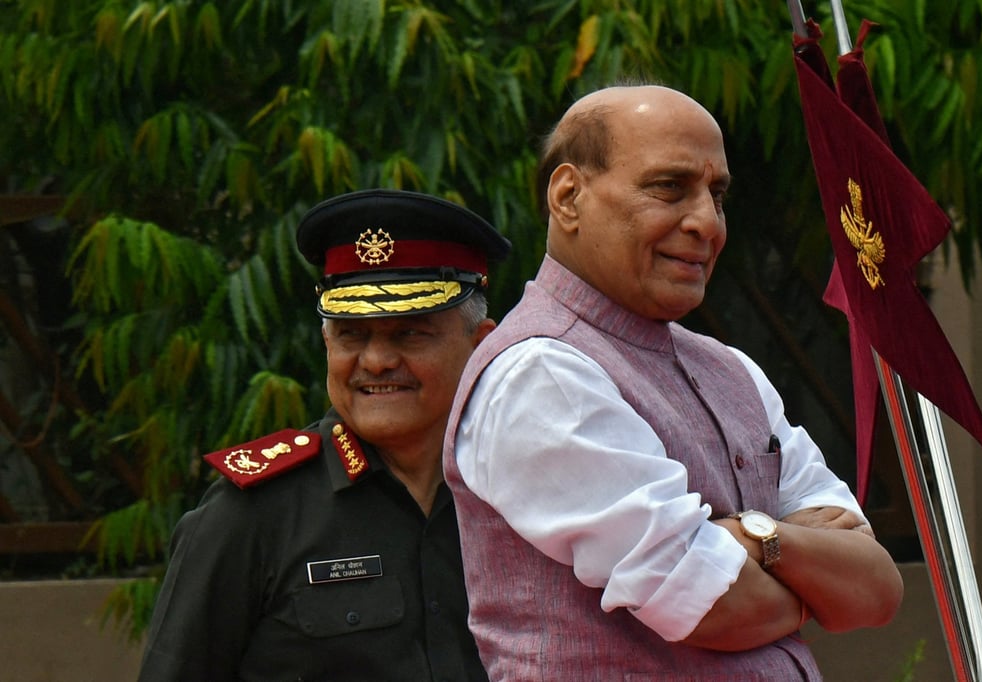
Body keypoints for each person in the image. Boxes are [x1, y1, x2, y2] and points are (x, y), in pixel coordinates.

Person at [442, 85, 904, 680]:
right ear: (568, 197)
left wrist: (755, 538)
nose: (707, 223)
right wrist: (812, 583)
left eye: (718, 195)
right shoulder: (539, 372)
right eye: (669, 187)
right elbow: (715, 606)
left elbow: (876, 590)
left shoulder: (731, 369)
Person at [138, 188, 509, 681]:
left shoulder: (519, 496)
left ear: (481, 345)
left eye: (410, 333)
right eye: (352, 334)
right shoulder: (252, 515)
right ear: (326, 342)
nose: (376, 360)